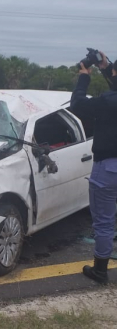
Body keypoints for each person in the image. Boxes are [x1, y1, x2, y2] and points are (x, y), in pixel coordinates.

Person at [70, 52, 117, 284]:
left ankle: (100, 270)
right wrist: (106, 67)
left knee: (104, 222)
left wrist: (84, 76)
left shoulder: (108, 101)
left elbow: (78, 105)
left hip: (108, 169)